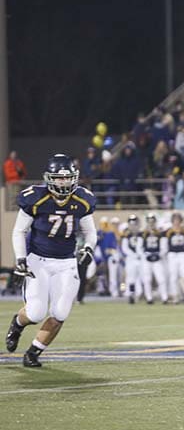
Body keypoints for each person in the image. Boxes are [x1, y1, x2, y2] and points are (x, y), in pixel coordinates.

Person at [5, 154, 97, 367]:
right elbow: (19, 231)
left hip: (66, 263)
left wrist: (89, 248)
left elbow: (90, 232)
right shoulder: (35, 197)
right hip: (39, 261)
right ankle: (18, 324)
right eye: (59, 178)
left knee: (60, 312)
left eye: (67, 178)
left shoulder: (82, 199)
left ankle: (34, 352)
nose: (63, 182)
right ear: (49, 178)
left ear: (74, 177)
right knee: (36, 312)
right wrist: (20, 259)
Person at [164, 212, 184, 304]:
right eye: (175, 220)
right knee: (173, 276)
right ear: (172, 221)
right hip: (172, 254)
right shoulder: (168, 232)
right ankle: (175, 296)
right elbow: (165, 245)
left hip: (183, 254)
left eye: (178, 220)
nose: (176, 222)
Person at [140, 213, 168, 304]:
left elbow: (164, 247)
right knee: (147, 279)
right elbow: (139, 248)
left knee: (161, 278)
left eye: (152, 221)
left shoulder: (159, 233)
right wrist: (145, 255)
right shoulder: (143, 233)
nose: (151, 223)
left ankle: (164, 298)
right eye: (149, 221)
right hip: (147, 258)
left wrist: (159, 255)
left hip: (157, 258)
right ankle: (149, 298)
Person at [121, 214, 144, 304]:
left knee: (142, 277)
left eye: (135, 224)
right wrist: (134, 255)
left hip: (141, 259)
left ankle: (140, 294)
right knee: (131, 278)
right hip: (131, 259)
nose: (133, 226)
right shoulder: (126, 235)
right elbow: (124, 248)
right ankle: (131, 294)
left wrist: (140, 254)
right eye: (131, 224)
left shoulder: (142, 234)